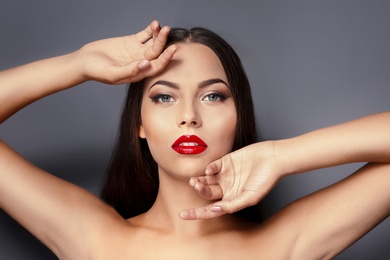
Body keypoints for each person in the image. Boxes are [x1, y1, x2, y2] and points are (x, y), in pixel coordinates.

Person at [0, 20, 389, 259]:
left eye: (213, 95)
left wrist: (283, 155)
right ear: (139, 124)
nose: (189, 116)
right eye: (164, 96)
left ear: (239, 118)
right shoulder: (93, 238)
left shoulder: (284, 245)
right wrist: (78, 64)